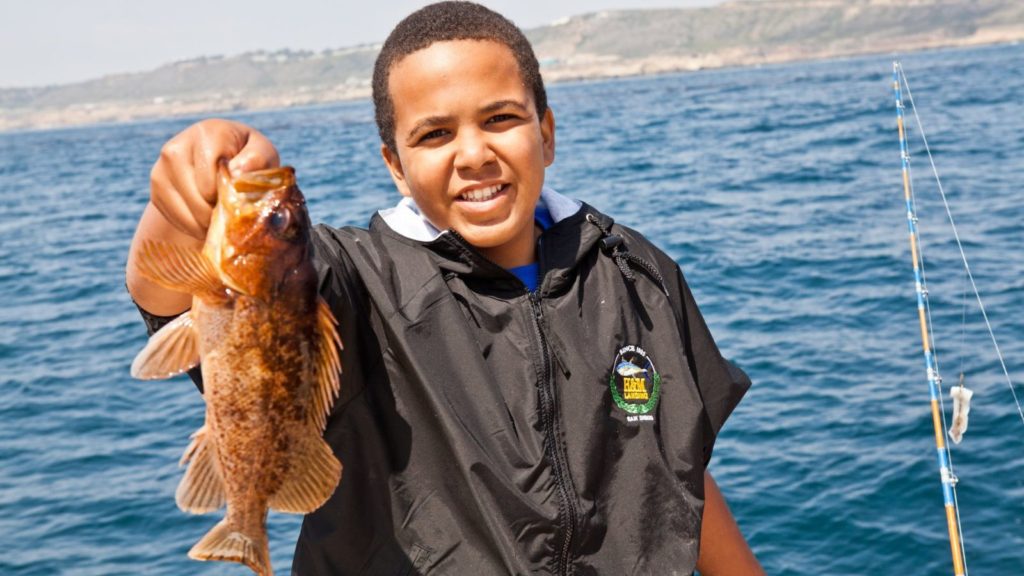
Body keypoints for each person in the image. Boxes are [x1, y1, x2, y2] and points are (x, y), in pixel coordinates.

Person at [126, 2, 762, 574]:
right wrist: (192, 186)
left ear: (546, 133)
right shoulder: (355, 285)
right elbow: (166, 293)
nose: (474, 153)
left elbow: (677, 464)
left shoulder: (639, 275)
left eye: (500, 118)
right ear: (395, 166)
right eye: (434, 134)